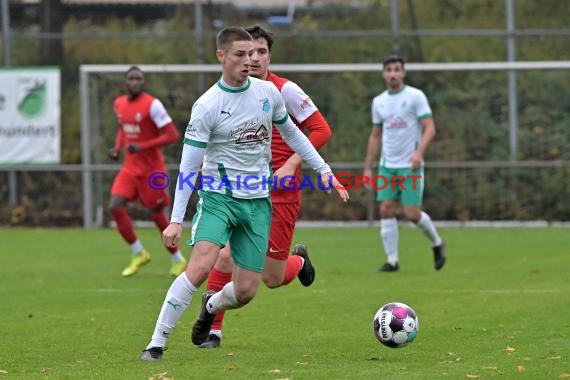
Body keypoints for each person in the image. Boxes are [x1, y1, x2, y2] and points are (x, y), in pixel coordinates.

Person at [140, 26, 349, 361]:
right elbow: (189, 166)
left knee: (248, 290)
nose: (249, 60)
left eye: (253, 53)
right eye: (240, 54)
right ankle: (156, 343)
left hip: (257, 202)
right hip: (219, 198)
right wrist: (175, 220)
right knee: (203, 263)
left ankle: (212, 305)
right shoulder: (207, 105)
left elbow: (295, 135)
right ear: (221, 57)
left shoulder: (269, 93)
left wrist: (324, 171)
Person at [195, 25, 333, 349]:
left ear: (270, 56)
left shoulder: (285, 91)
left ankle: (297, 261)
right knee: (225, 257)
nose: (254, 58)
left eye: (261, 52)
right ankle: (212, 329)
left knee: (271, 278)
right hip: (242, 190)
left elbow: (321, 129)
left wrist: (292, 164)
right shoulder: (231, 91)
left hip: (281, 195)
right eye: (248, 52)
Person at [363, 55, 446, 272]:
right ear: (383, 74)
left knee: (412, 214)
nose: (393, 73)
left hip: (410, 165)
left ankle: (437, 243)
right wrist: (368, 166)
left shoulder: (415, 96)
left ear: (403, 72)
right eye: (389, 69)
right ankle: (392, 261)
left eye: (396, 69)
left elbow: (430, 127)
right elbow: (375, 135)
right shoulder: (378, 102)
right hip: (387, 165)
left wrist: (419, 153)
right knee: (386, 209)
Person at [109, 66, 187, 277]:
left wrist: (142, 146)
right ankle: (138, 253)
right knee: (115, 206)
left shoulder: (152, 105)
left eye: (139, 79)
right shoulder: (119, 104)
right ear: (125, 82)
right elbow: (123, 129)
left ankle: (177, 259)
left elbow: (172, 135)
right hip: (130, 168)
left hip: (153, 171)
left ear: (142, 82)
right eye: (131, 79)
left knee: (157, 215)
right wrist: (117, 148)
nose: (135, 82)